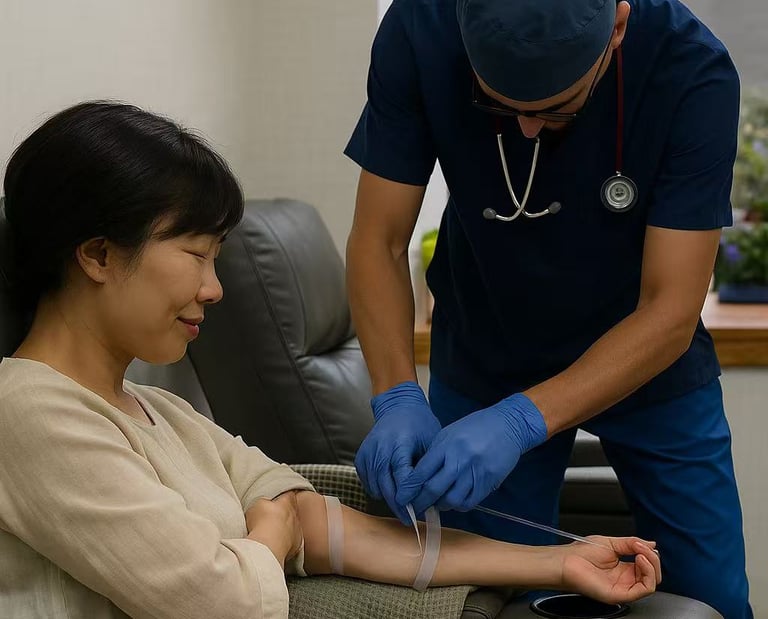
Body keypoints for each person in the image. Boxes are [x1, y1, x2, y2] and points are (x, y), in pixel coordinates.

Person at [0, 101, 660, 619]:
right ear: (99, 254)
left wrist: (559, 560)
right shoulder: (30, 411)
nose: (214, 287)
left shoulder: (157, 411)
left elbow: (316, 523)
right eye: (196, 253)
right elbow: (223, 601)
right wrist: (274, 526)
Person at [344, 0, 752, 617]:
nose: (527, 130)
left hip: (645, 358)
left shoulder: (691, 69)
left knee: (711, 597)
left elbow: (670, 308)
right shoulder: (420, 27)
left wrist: (521, 423)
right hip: (487, 349)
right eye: (500, 106)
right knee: (496, 597)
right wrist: (396, 393)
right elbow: (378, 238)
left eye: (557, 110)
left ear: (617, 26)